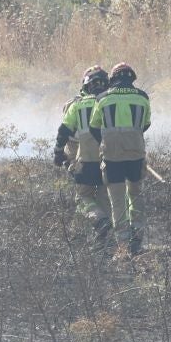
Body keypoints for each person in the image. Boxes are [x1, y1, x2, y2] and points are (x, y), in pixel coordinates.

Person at [92, 62, 152, 254]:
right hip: (136, 154)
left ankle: (124, 244)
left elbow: (95, 127)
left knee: (117, 199)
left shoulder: (102, 99)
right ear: (132, 78)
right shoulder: (143, 98)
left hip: (112, 156)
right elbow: (145, 125)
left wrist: (106, 143)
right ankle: (138, 235)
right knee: (136, 193)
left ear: (113, 79)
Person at [54, 66, 111, 240]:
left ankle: (98, 221)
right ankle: (104, 238)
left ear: (85, 85)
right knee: (104, 198)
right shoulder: (112, 102)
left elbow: (65, 132)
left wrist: (58, 153)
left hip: (85, 160)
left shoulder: (76, 104)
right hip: (110, 160)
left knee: (82, 197)